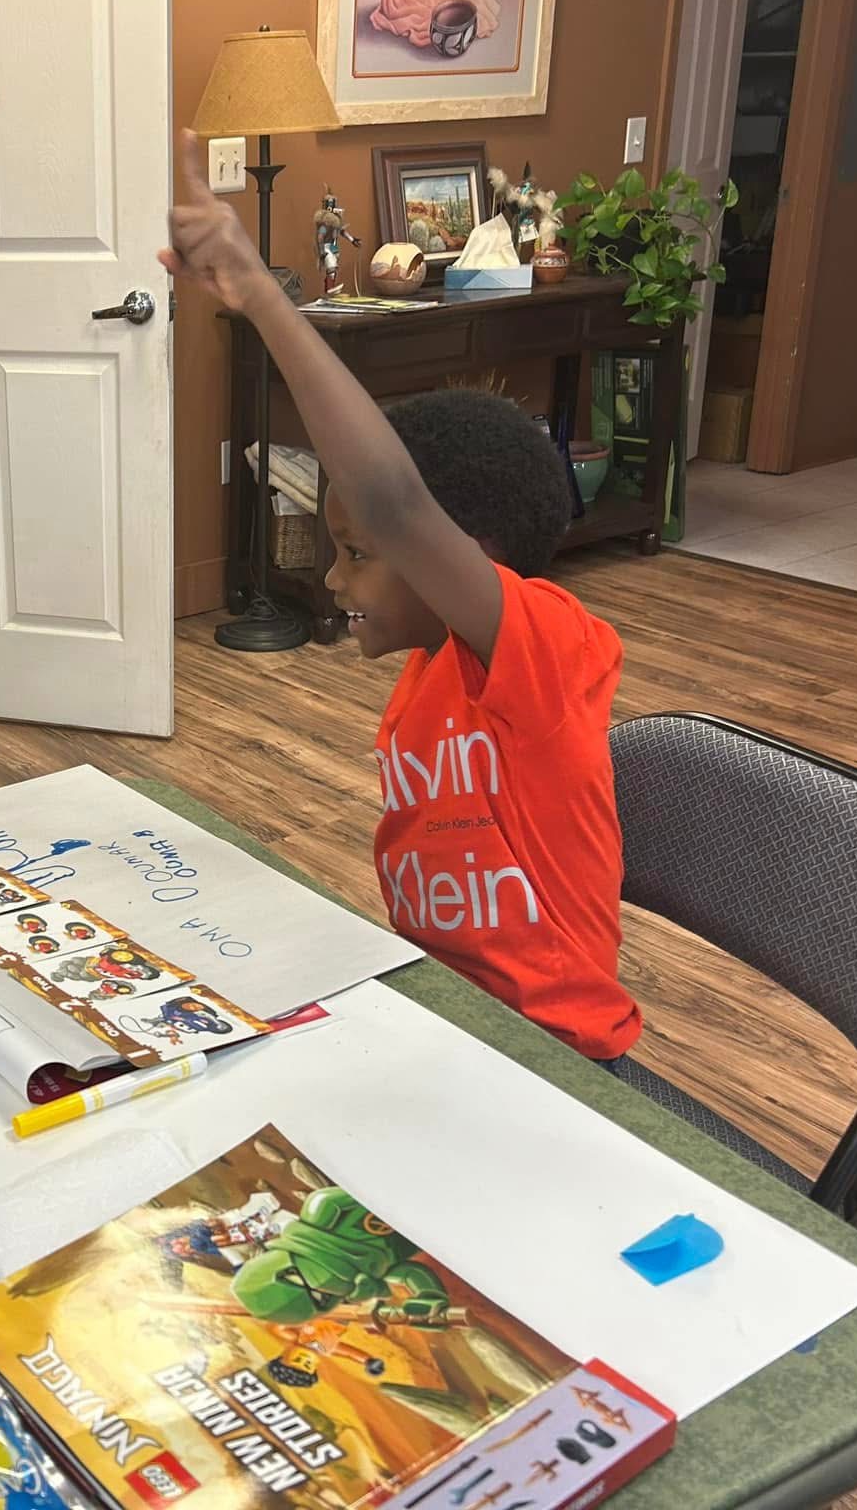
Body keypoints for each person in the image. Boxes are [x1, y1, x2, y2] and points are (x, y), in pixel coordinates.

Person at [160, 133, 637, 1062]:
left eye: (356, 554)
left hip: (557, 1052)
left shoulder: (546, 653)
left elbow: (393, 501)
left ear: (459, 556)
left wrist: (261, 293)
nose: (333, 580)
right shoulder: (425, 677)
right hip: (444, 1020)